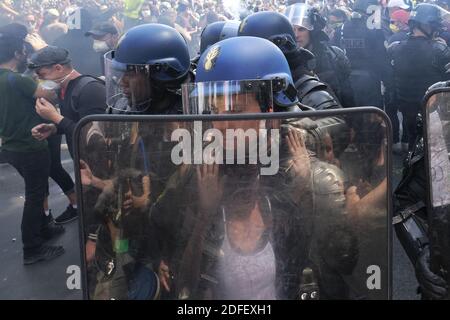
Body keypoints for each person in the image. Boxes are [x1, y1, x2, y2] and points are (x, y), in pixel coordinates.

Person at [0, 31, 64, 265]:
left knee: (38, 191)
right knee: (35, 195)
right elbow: (50, 96)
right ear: (18, 53)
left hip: (11, 146)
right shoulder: (16, 79)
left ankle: (44, 228)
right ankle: (32, 248)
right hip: (31, 145)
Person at [28, 46, 107, 224]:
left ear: (58, 68)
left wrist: (55, 117)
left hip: (98, 166)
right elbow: (74, 121)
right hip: (83, 162)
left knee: (102, 213)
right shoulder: (65, 89)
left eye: (42, 75)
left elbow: (94, 137)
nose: (39, 80)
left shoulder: (89, 90)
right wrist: (54, 127)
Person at [237, 10, 341, 110]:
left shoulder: (302, 81)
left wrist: (296, 126)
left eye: (301, 29)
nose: (297, 35)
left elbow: (337, 121)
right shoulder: (254, 79)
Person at [388, 3, 450, 151]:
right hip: (434, 112)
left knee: (413, 145)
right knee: (436, 151)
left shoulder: (396, 48)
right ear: (428, 26)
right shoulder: (440, 50)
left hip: (407, 110)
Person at [284, 3, 355, 107]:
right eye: (292, 30)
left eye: (301, 29)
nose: (296, 35)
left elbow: (348, 98)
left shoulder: (334, 56)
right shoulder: (283, 61)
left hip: (333, 118)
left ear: (311, 31)